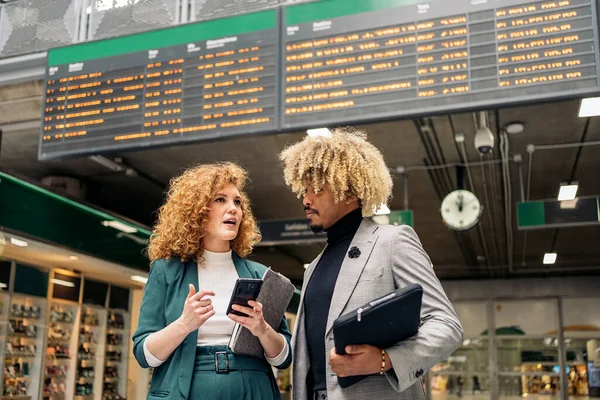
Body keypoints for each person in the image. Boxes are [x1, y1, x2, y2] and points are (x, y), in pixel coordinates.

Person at [279, 128, 463, 400]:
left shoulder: (393, 242)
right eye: (304, 190)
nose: (306, 199)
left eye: (316, 189)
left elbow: (446, 325)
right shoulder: (314, 267)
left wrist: (385, 359)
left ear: (349, 191)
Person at [132, 162, 292, 400]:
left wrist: (262, 329)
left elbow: (284, 357)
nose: (233, 209)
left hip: (253, 387)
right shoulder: (166, 271)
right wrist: (184, 324)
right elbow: (144, 355)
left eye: (237, 202)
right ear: (197, 210)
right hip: (186, 387)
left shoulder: (260, 275)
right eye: (220, 200)